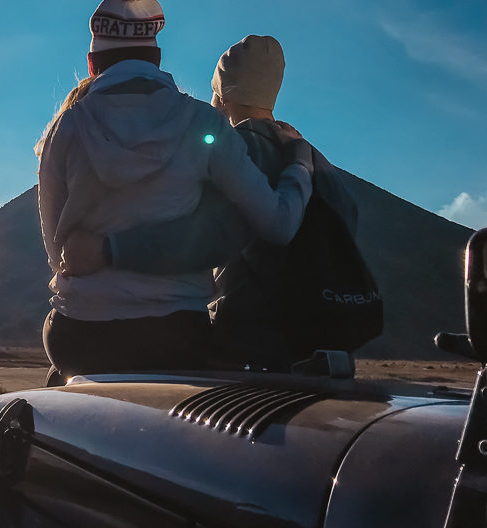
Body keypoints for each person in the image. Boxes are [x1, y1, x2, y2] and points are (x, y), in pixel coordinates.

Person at [36, 0, 315, 380]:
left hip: (78, 339)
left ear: (94, 64)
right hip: (175, 336)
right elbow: (278, 223)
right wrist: (300, 164)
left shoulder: (66, 128)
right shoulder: (202, 122)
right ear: (157, 59)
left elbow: (55, 251)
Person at [62, 35, 366, 371]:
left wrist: (109, 249)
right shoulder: (315, 161)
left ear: (221, 94)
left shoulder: (231, 153)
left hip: (248, 350)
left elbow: (204, 237)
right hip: (328, 346)